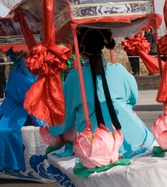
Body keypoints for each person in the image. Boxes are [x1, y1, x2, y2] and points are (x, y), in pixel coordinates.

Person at [49, 27, 154, 158]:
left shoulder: (75, 77)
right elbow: (132, 99)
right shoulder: (119, 70)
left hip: (96, 144)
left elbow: (66, 117)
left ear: (80, 50)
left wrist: (52, 131)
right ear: (103, 46)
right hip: (135, 136)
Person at [0, 52, 42, 171]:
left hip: (29, 107)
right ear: (21, 59)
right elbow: (30, 93)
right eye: (27, 57)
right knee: (6, 130)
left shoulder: (33, 73)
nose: (31, 59)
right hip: (15, 109)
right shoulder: (17, 75)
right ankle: (9, 163)